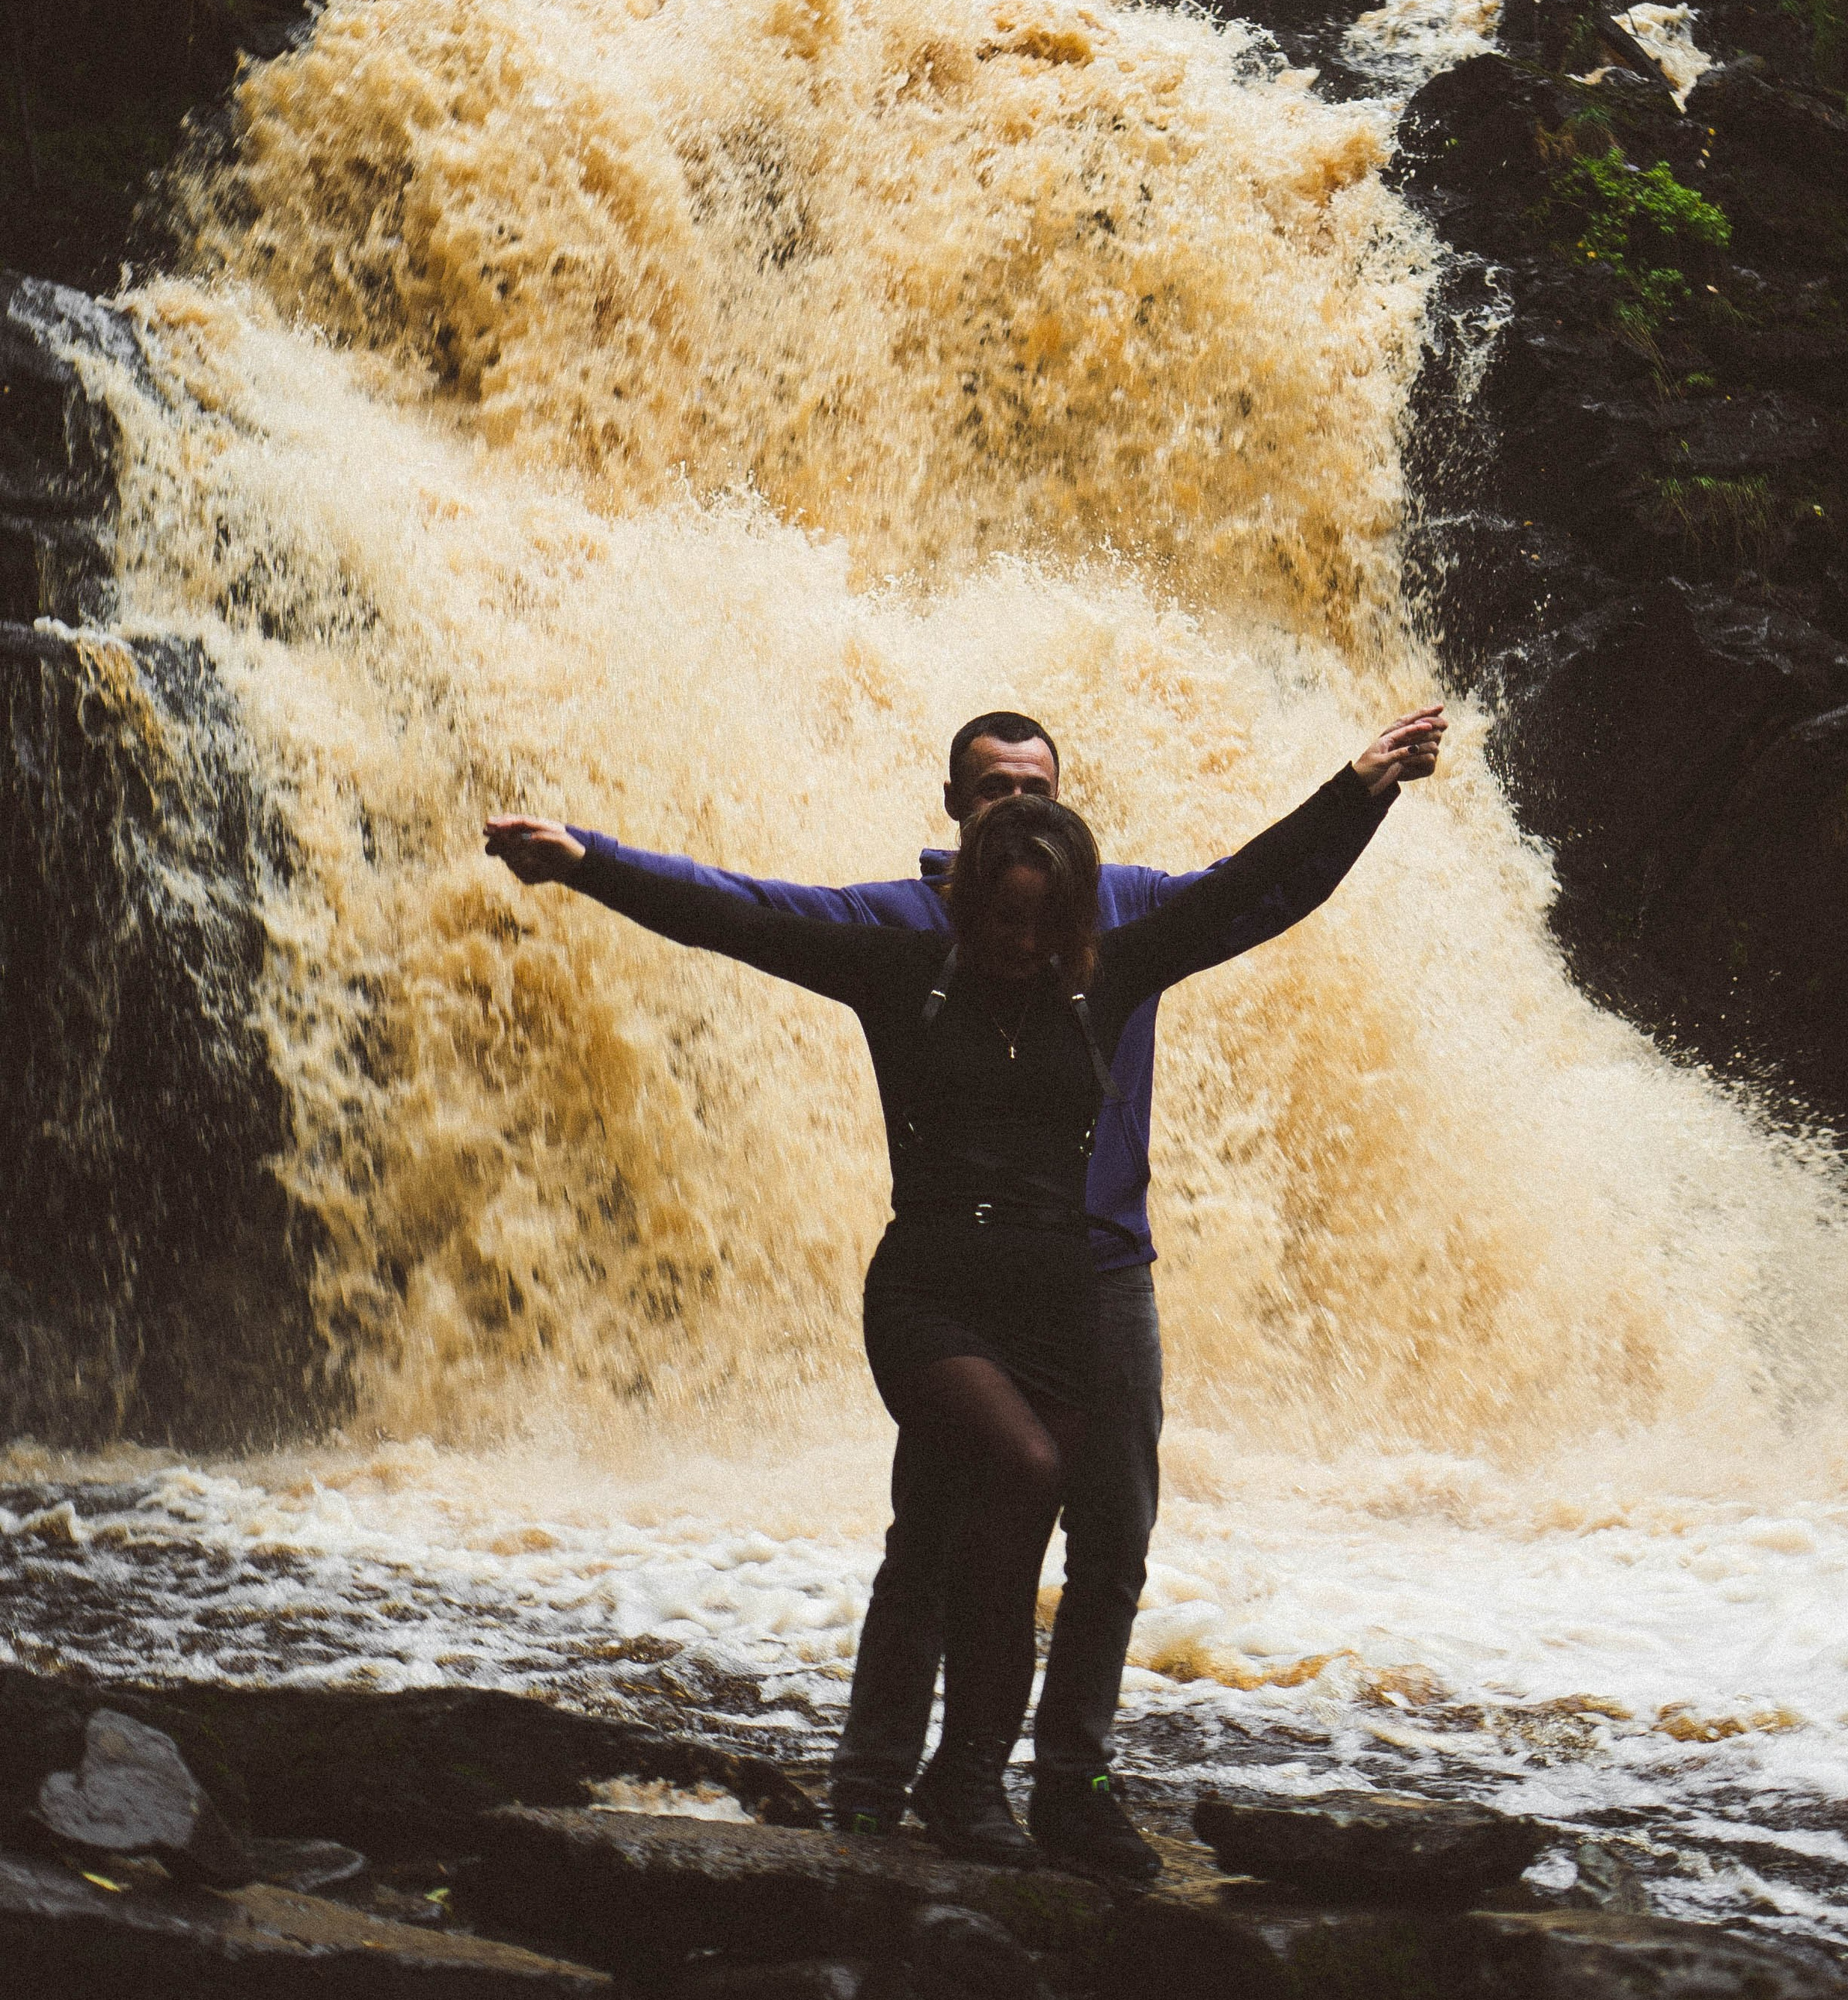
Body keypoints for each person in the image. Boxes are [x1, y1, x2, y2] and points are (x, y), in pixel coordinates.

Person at [486, 704, 1442, 1875]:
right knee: (944, 1530)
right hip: (946, 1284)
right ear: (958, 813)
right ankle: (883, 1784)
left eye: (1035, 788)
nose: (1018, 815)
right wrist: (592, 861)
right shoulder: (905, 937)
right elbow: (743, 912)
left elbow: (1259, 884)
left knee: (1106, 1537)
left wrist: (1361, 789)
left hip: (1089, 1285)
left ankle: (1054, 1785)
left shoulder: (1117, 930)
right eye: (993, 790)